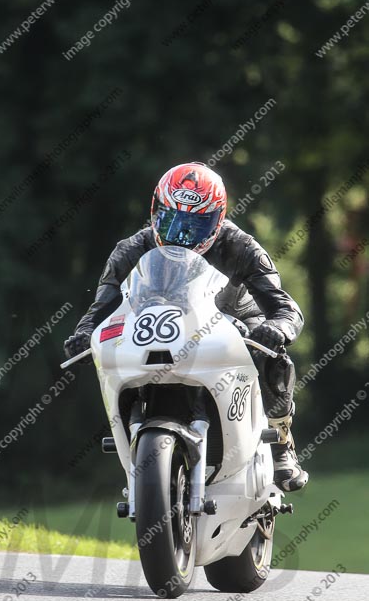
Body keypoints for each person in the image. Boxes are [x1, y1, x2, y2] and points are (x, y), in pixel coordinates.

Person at [64, 162, 308, 492]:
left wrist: (277, 328)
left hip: (232, 318)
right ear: (155, 211)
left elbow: (285, 307)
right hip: (160, 323)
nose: (181, 233)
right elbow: (100, 308)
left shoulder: (242, 247)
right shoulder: (130, 249)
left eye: (196, 223)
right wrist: (83, 335)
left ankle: (281, 445)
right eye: (171, 219)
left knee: (273, 358)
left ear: (218, 219)